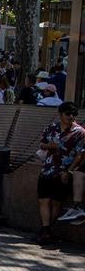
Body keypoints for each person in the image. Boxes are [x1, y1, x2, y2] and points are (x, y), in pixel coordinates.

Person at [34, 102, 85, 245]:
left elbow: (81, 154)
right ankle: (45, 230)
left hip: (63, 170)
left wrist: (69, 171)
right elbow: (42, 144)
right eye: (68, 114)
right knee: (43, 200)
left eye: (74, 114)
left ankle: (47, 229)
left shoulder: (79, 132)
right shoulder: (52, 128)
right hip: (48, 168)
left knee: (56, 202)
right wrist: (49, 146)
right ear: (60, 114)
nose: (71, 117)